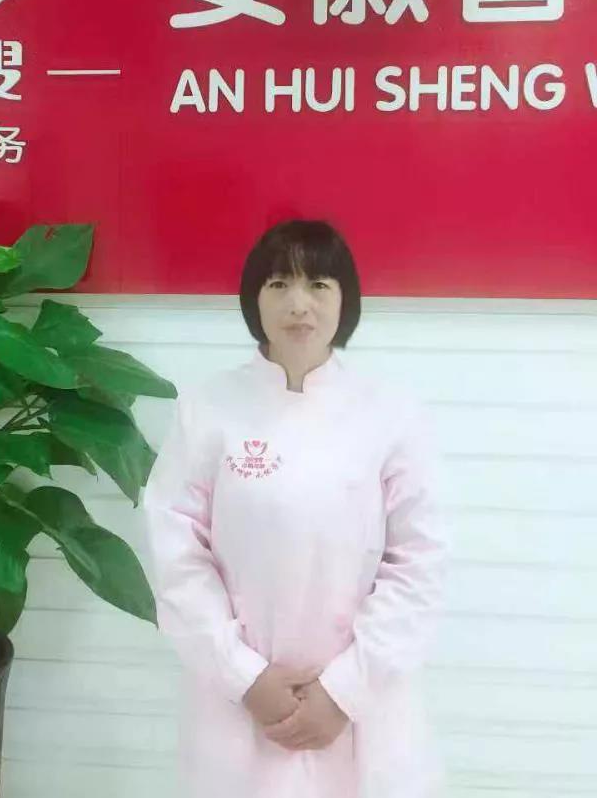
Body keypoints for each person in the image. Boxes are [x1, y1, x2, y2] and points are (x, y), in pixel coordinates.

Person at [142, 219, 447, 798]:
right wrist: (244, 676)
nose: (299, 304)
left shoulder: (390, 413)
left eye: (319, 285)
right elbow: (175, 554)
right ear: (253, 299)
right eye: (279, 284)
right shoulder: (209, 408)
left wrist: (343, 691)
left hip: (362, 709)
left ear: (345, 301)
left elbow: (419, 563)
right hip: (239, 705)